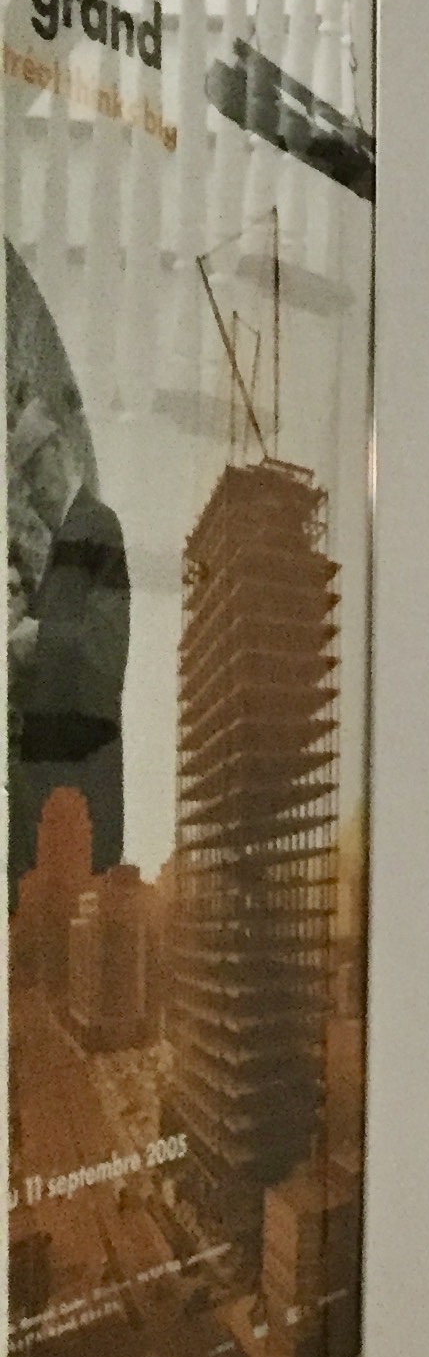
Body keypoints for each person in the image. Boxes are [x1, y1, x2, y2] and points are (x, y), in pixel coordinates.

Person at [8, 239, 127, 884]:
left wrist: (34, 640)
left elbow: (106, 651)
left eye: (37, 476)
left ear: (56, 459)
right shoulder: (65, 544)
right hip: (57, 791)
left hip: (83, 793)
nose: (36, 492)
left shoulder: (97, 529)